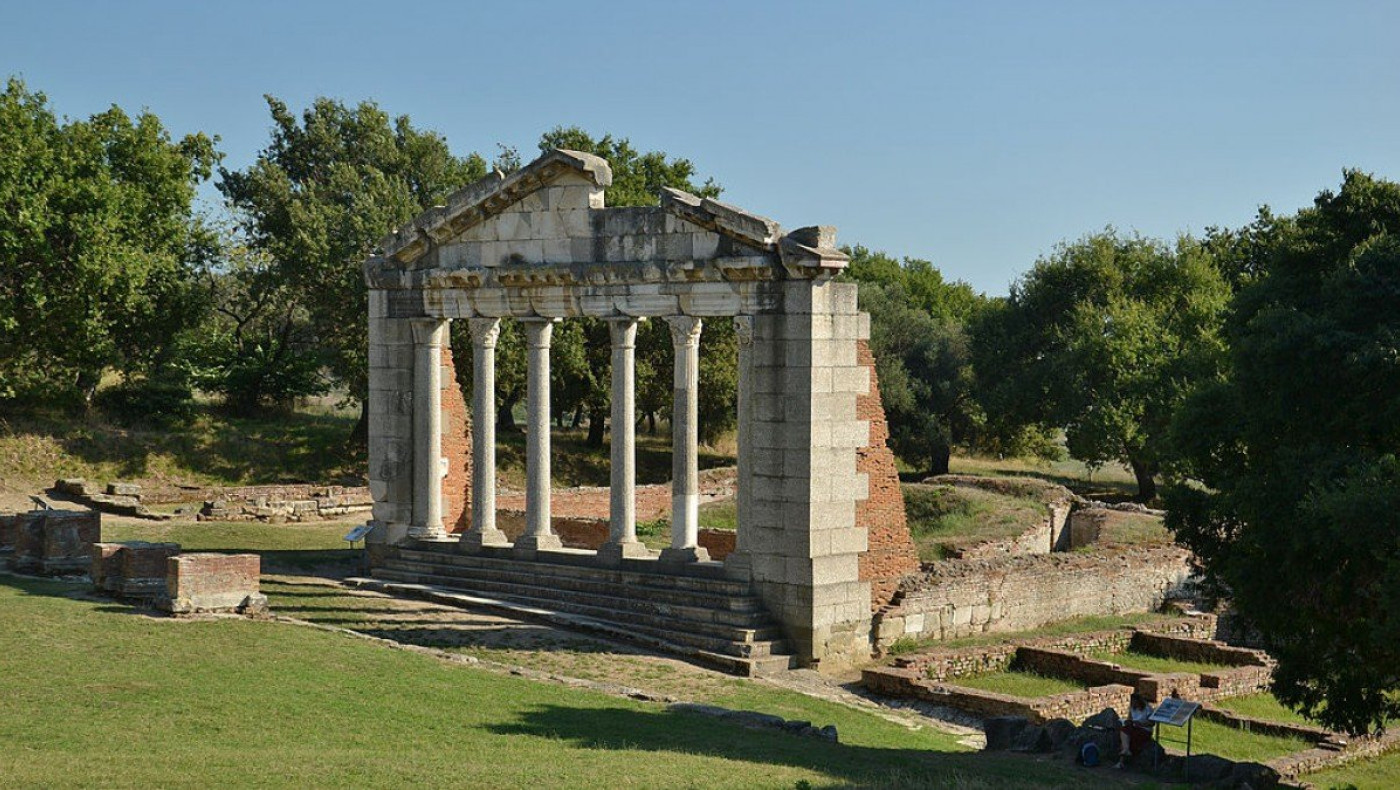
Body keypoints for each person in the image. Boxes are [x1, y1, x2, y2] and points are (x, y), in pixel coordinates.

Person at [1115, 693, 1155, 769]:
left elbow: (1152, 723)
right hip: (1134, 727)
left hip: (1144, 730)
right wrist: (1129, 721)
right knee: (1124, 733)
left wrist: (1141, 723)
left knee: (1129, 738)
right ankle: (1125, 751)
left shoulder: (1147, 709)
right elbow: (1129, 718)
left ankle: (1122, 759)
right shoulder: (1132, 708)